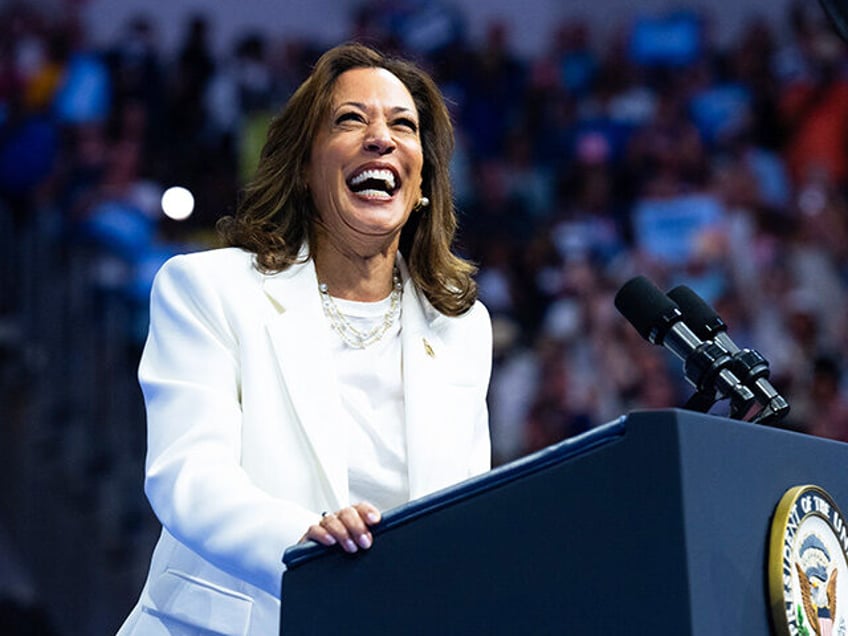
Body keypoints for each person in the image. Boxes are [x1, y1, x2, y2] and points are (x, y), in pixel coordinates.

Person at [116, 42, 492, 635]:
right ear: (305, 167)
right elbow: (188, 477)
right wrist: (303, 543)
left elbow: (461, 519)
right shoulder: (209, 288)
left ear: (423, 181)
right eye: (350, 119)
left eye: (403, 125)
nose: (381, 138)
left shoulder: (462, 328)